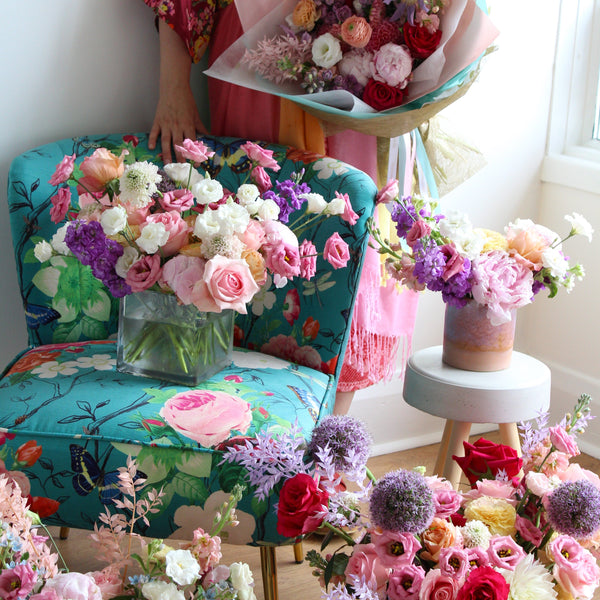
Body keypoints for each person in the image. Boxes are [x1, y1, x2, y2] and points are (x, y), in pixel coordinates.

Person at [143, 0, 419, 415]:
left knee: (352, 228)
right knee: (258, 233)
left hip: (361, 47)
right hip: (257, 52)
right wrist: (173, 86)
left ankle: (326, 447)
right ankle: (257, 436)